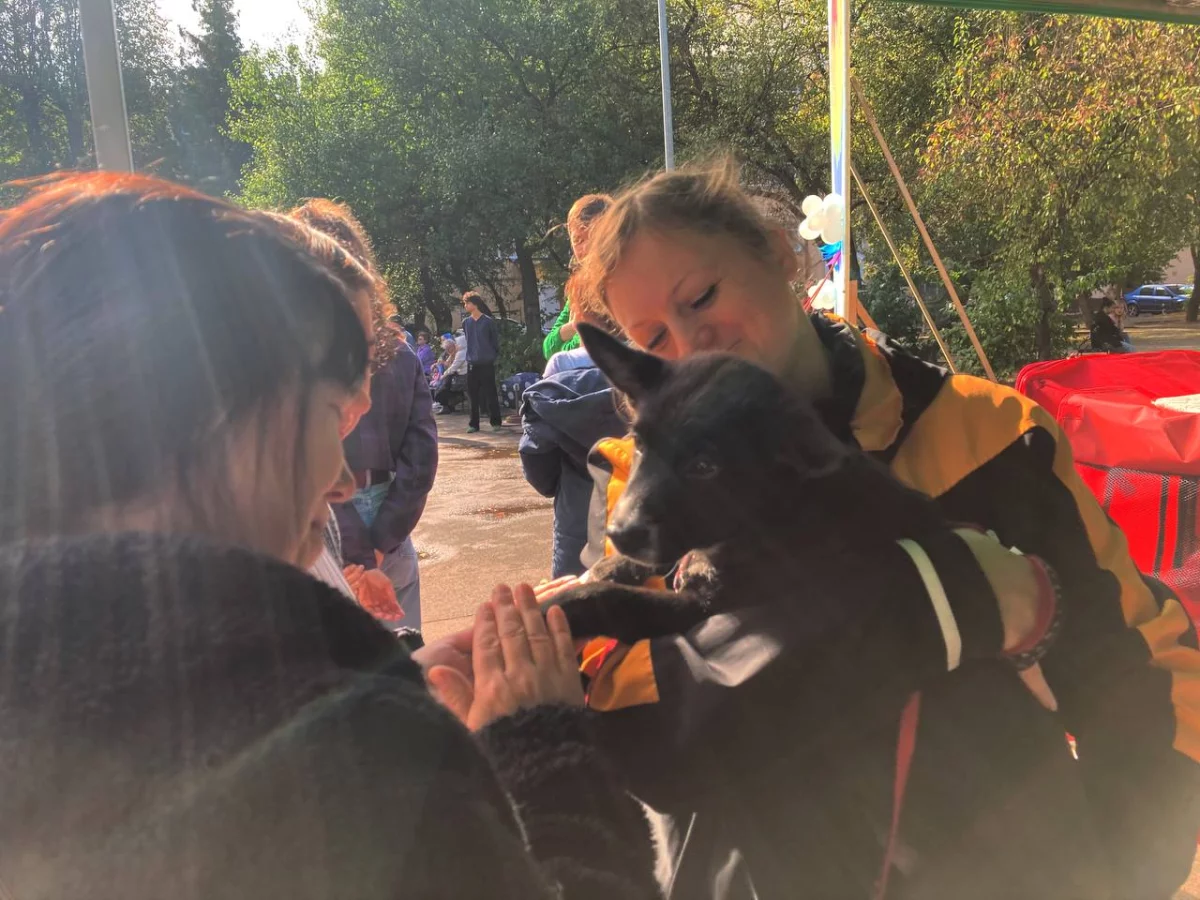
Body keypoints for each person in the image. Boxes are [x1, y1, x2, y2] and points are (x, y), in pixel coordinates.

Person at [0, 173, 659, 899]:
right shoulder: (339, 771)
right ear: (212, 415)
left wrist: (381, 679)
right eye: (325, 409)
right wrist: (545, 751)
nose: (342, 481)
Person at [563, 159, 1200, 898]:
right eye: (652, 337)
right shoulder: (636, 485)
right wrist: (943, 603)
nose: (690, 340)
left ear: (778, 253)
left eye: (701, 295)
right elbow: (631, 714)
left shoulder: (989, 434)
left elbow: (1141, 665)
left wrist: (1123, 868)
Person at [292, 199, 438, 636]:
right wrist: (382, 542)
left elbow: (312, 464)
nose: (359, 403)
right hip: (390, 526)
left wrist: (359, 552)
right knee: (406, 651)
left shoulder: (301, 357)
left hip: (330, 530)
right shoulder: (401, 353)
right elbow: (421, 458)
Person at [519, 363, 625, 578]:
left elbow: (536, 459)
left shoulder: (556, 378)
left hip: (575, 514)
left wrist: (552, 484)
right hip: (642, 514)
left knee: (573, 591)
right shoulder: (648, 379)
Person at [543, 194, 612, 363]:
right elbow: (548, 348)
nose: (586, 248)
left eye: (594, 237)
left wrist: (568, 344)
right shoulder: (580, 287)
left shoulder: (624, 280)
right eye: (578, 240)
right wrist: (574, 324)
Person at [462, 291, 503, 433]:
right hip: (472, 363)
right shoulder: (466, 323)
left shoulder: (488, 321)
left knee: (490, 393)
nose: (465, 306)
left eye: (467, 303)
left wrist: (492, 356)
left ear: (475, 304)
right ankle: (473, 424)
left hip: (486, 363)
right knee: (472, 395)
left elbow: (494, 342)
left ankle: (496, 422)